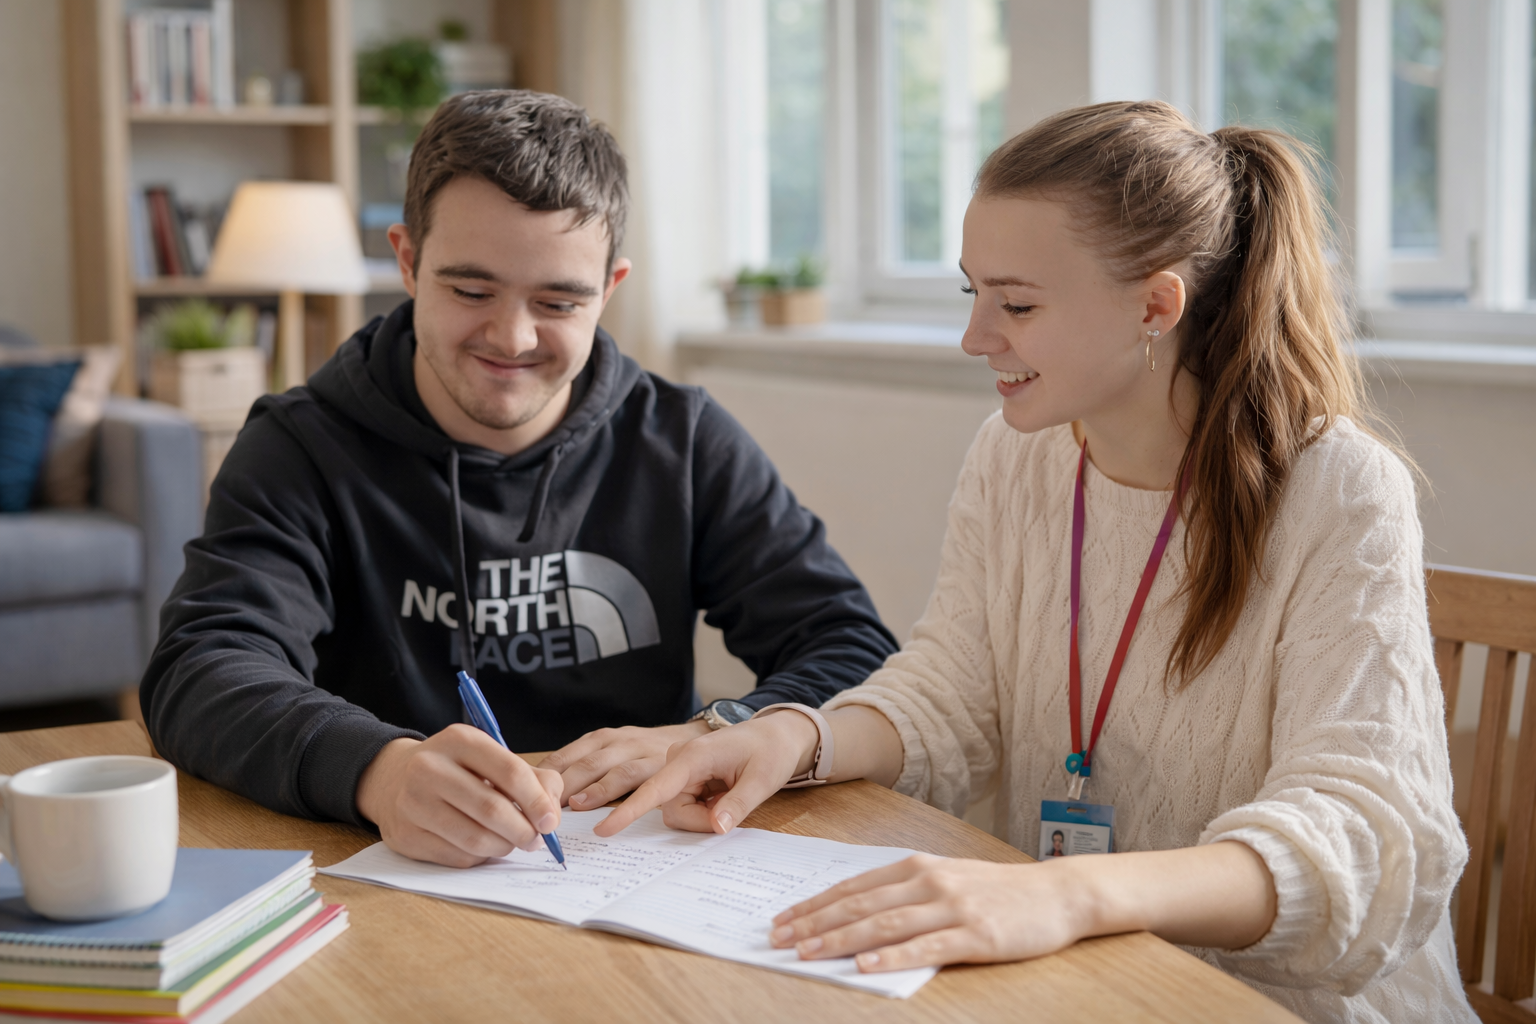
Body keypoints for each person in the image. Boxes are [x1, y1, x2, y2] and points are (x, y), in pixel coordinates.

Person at [599, 101, 1473, 1023]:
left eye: (1016, 304)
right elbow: (951, 688)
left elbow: (1359, 835)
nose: (977, 338)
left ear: (1155, 304)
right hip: (1067, 977)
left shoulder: (1339, 489)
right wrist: (794, 736)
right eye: (971, 294)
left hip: (1264, 1000)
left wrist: (1063, 896)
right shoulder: (1019, 453)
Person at [140, 90, 897, 869]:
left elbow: (855, 649)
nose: (512, 337)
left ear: (611, 287)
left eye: (559, 301)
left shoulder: (683, 440)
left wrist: (710, 734)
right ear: (407, 260)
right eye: (471, 291)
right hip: (384, 876)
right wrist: (378, 770)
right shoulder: (301, 446)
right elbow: (199, 671)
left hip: (631, 874)